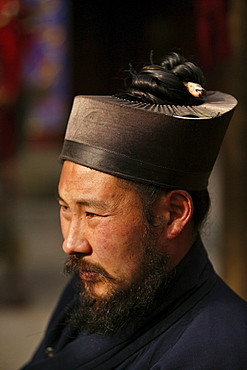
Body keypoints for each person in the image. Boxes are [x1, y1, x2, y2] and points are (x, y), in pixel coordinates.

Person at [21, 52, 247, 369]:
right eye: (65, 208)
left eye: (93, 214)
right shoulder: (95, 285)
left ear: (172, 214)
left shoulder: (218, 350)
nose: (71, 244)